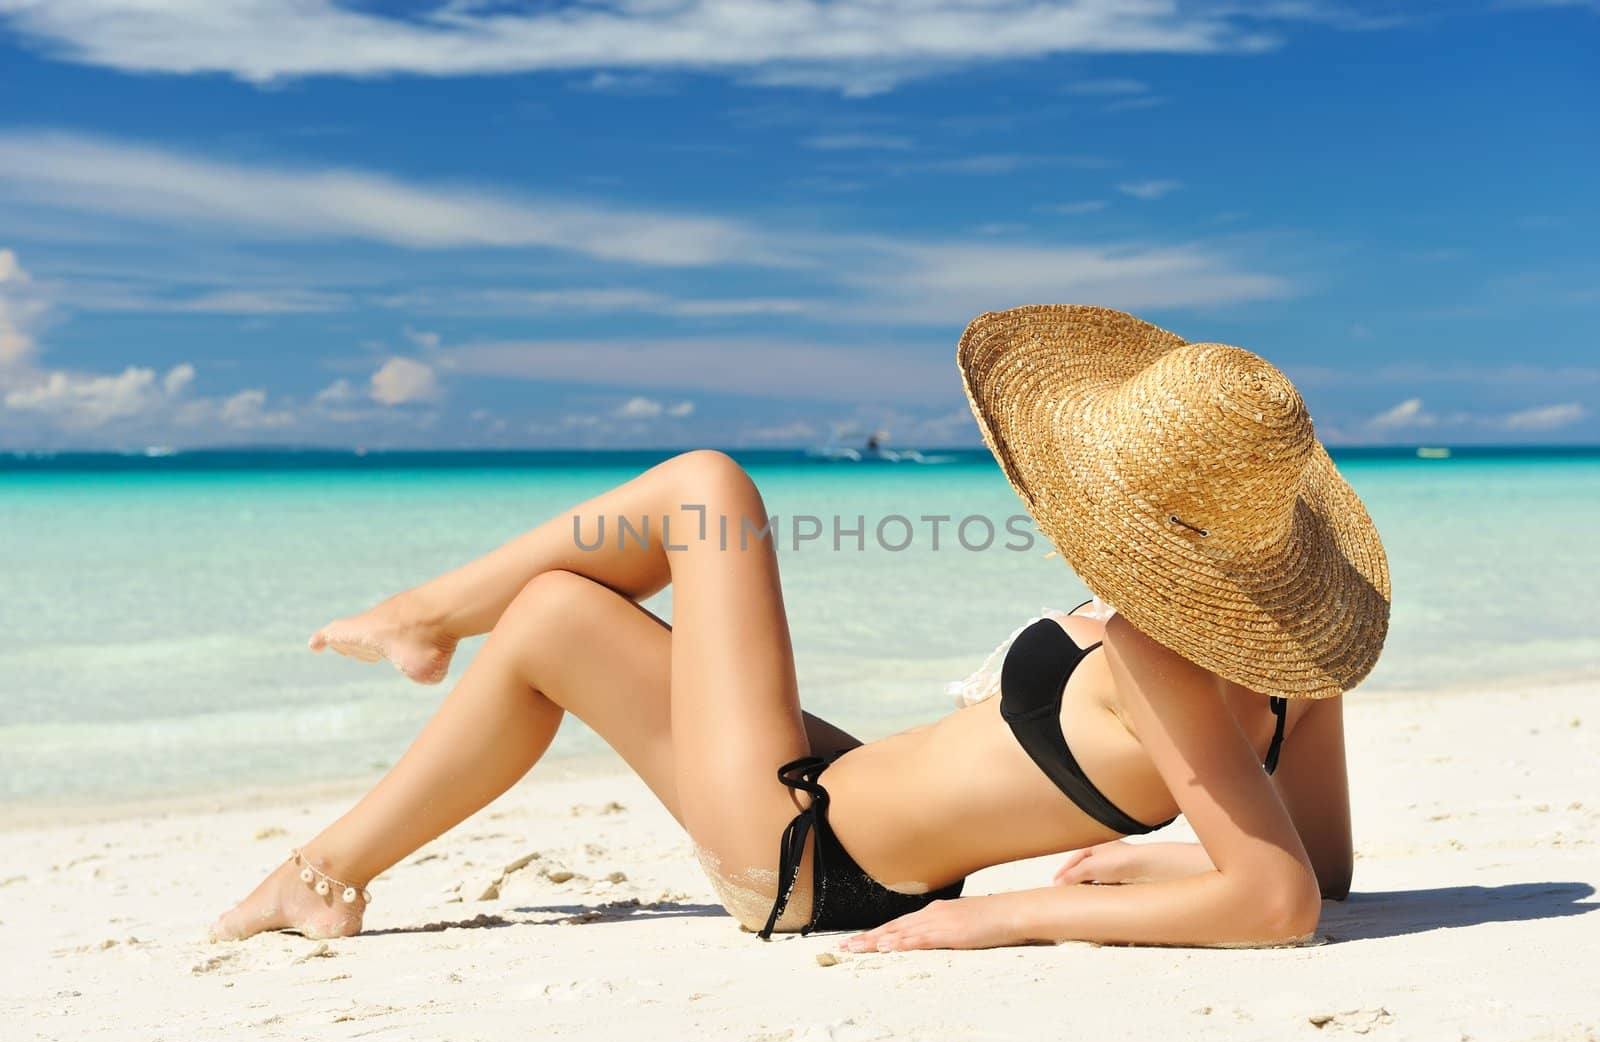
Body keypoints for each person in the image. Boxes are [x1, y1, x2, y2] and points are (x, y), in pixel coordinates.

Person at [211, 305, 1390, 952]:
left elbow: (1277, 902)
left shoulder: (1151, 653)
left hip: (808, 857)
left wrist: (998, 924)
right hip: (839, 797)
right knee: (565, 610)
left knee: (693, 496)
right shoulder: (1286, 665)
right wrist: (1168, 850)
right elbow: (1320, 866)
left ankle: (345, 811)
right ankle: (338, 837)